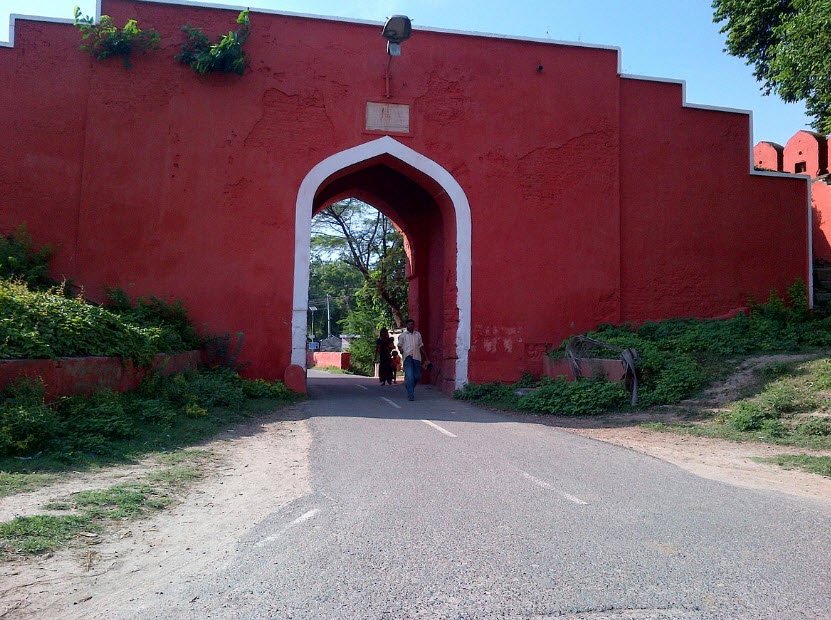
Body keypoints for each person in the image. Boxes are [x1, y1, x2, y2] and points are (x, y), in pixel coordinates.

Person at [397, 318, 429, 401]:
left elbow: (421, 346)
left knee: (417, 376)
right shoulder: (403, 336)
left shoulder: (417, 334)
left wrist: (426, 356)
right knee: (410, 376)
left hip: (417, 357)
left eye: (412, 324)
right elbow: (399, 345)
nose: (411, 326)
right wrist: (401, 350)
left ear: (414, 325)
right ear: (406, 325)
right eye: (409, 324)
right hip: (408, 357)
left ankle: (409, 386)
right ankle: (410, 394)